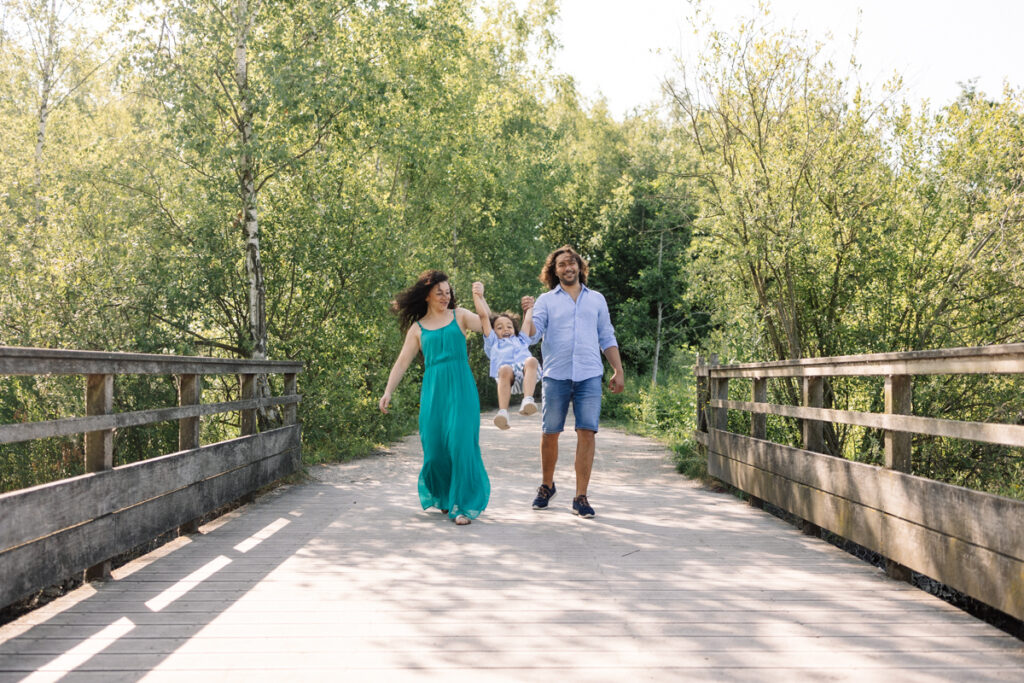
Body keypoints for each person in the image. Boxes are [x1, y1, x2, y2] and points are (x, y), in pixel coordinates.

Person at [378, 270, 489, 525]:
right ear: (427, 295)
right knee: (436, 450)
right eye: (439, 293)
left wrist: (480, 298)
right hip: (434, 392)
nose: (445, 296)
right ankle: (444, 495)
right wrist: (388, 391)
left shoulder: (460, 316)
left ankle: (460, 504)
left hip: (461, 389)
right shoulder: (417, 329)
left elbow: (486, 323)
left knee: (461, 445)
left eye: (448, 292)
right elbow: (402, 361)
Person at [525, 245, 625, 518]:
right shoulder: (546, 300)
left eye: (572, 263)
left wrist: (618, 369)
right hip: (555, 375)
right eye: (561, 264)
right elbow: (533, 336)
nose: (567, 268)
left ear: (580, 267)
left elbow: (607, 336)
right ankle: (547, 485)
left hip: (589, 374)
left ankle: (581, 496)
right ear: (554, 271)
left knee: (587, 432)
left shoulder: (597, 300)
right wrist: (529, 313)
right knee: (550, 432)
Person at [471, 281, 541, 430]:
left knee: (531, 360)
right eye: (500, 327)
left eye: (509, 326)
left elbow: (528, 321)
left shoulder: (521, 339)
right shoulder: (493, 342)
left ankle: (528, 399)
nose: (506, 329)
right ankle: (503, 412)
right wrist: (478, 296)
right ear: (493, 331)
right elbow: (484, 316)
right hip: (507, 380)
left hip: (526, 375)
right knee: (504, 369)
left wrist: (530, 307)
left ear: (514, 329)